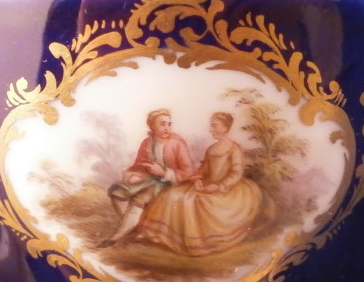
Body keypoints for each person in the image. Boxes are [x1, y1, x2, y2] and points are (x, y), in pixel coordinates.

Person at [137, 112, 262, 256]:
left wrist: (219, 186)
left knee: (191, 202)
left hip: (227, 190)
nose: (211, 129)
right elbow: (203, 170)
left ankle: (195, 243)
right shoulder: (211, 149)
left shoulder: (234, 149)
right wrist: (197, 180)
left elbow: (236, 173)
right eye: (211, 126)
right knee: (172, 195)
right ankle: (158, 236)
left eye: (214, 126)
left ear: (225, 128)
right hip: (207, 184)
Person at [99, 109, 194, 247]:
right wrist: (131, 174)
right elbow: (139, 165)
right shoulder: (147, 143)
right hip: (148, 180)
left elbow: (188, 172)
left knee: (140, 198)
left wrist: (164, 172)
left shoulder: (177, 143)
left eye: (169, 124)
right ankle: (134, 228)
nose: (167, 127)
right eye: (162, 124)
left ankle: (115, 238)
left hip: (169, 182)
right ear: (152, 126)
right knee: (117, 191)